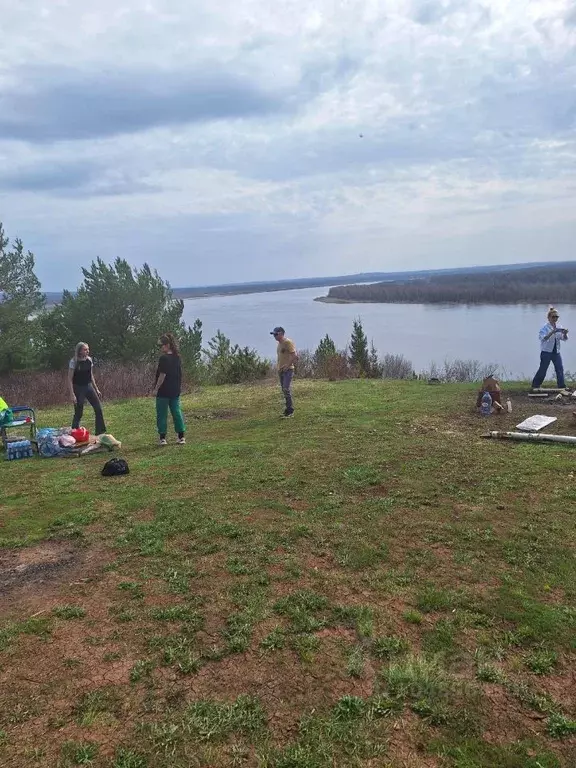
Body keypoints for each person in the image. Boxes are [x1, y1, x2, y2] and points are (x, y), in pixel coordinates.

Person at [153, 333, 186, 446]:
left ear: (167, 345)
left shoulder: (164, 358)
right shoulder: (177, 357)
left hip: (163, 391)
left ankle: (162, 438)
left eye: (161, 345)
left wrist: (156, 389)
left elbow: (162, 375)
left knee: (162, 414)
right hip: (175, 389)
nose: (160, 348)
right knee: (177, 412)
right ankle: (181, 436)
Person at [68, 342, 107, 435]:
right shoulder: (74, 361)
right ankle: (75, 431)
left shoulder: (89, 360)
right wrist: (72, 394)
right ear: (80, 351)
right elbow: (69, 379)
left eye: (88, 349)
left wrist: (96, 389)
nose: (87, 351)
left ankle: (100, 432)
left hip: (88, 387)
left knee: (98, 408)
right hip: (78, 388)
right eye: (85, 349)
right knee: (79, 412)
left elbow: (91, 375)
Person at [531, 307, 568, 390]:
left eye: (556, 317)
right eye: (553, 317)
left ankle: (561, 386)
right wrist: (552, 332)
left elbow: (564, 338)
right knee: (543, 369)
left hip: (556, 351)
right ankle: (535, 385)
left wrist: (565, 333)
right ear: (549, 318)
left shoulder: (559, 326)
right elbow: (542, 338)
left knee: (559, 368)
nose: (555, 318)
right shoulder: (544, 327)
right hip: (546, 352)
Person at [271, 326, 297, 417]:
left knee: (286, 388)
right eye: (273, 334)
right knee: (284, 390)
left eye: (276, 334)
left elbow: (294, 356)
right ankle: (287, 409)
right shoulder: (279, 344)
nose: (274, 336)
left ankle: (290, 410)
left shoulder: (288, 342)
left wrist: (288, 365)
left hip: (288, 370)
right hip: (280, 370)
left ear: (281, 334)